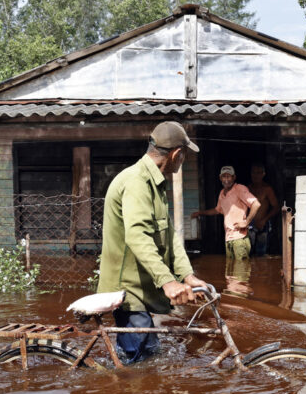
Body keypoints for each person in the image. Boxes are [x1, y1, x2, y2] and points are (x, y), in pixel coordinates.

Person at [97, 121, 207, 363]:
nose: (184, 159)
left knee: (150, 356)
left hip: (142, 288)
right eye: (185, 155)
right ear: (177, 154)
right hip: (128, 292)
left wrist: (187, 276)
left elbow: (169, 237)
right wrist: (168, 282)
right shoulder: (137, 182)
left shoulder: (154, 184)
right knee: (141, 366)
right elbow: (137, 237)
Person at [191, 166, 261, 261]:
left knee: (241, 271)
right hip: (228, 238)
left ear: (234, 177)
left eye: (229, 176)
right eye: (224, 176)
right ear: (220, 178)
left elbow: (256, 204)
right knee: (231, 271)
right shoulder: (222, 193)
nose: (226, 179)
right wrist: (200, 213)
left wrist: (246, 222)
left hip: (239, 238)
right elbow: (217, 210)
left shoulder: (239, 189)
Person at [247, 163, 280, 256]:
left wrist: (264, 220)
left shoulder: (267, 189)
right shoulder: (248, 188)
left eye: (258, 173)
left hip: (263, 224)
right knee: (248, 253)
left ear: (263, 174)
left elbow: (276, 207)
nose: (256, 175)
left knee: (261, 253)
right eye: (253, 173)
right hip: (250, 225)